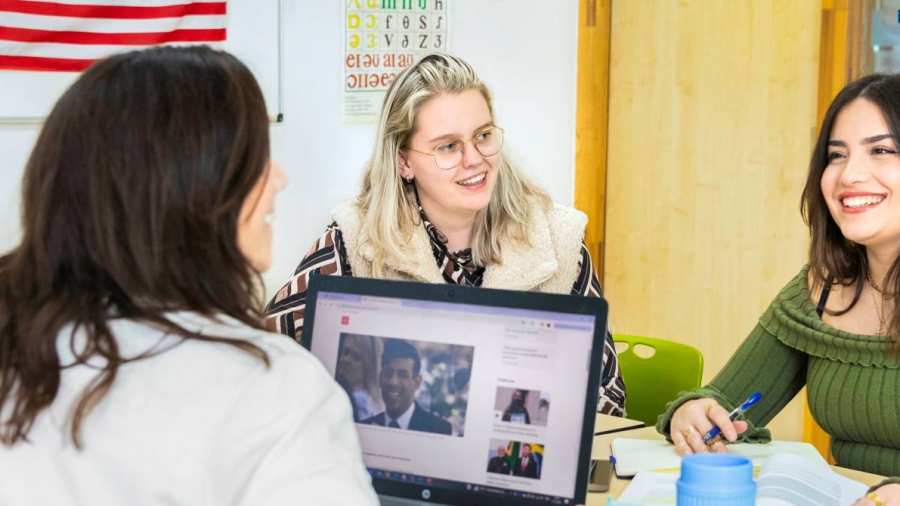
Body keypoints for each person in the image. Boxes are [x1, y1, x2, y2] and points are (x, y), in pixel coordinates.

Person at [0, 46, 377, 505]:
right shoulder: (274, 390)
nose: (278, 178)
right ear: (191, 189)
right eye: (255, 158)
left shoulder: (19, 342)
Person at [265, 52, 626, 416]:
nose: (474, 160)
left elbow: (608, 398)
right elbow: (264, 358)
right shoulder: (356, 238)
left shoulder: (557, 238)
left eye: (483, 136)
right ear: (404, 161)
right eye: (448, 146)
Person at [656, 73, 900, 504]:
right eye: (835, 155)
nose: (849, 175)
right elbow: (722, 400)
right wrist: (693, 413)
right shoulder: (821, 287)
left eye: (881, 150)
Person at [361, 339, 452, 435]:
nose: (393, 382)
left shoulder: (439, 429)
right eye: (388, 373)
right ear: (380, 378)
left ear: (417, 382)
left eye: (402, 375)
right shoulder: (365, 427)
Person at [335, 334, 382, 421]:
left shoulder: (359, 401)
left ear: (368, 367)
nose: (347, 360)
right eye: (346, 352)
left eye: (356, 357)